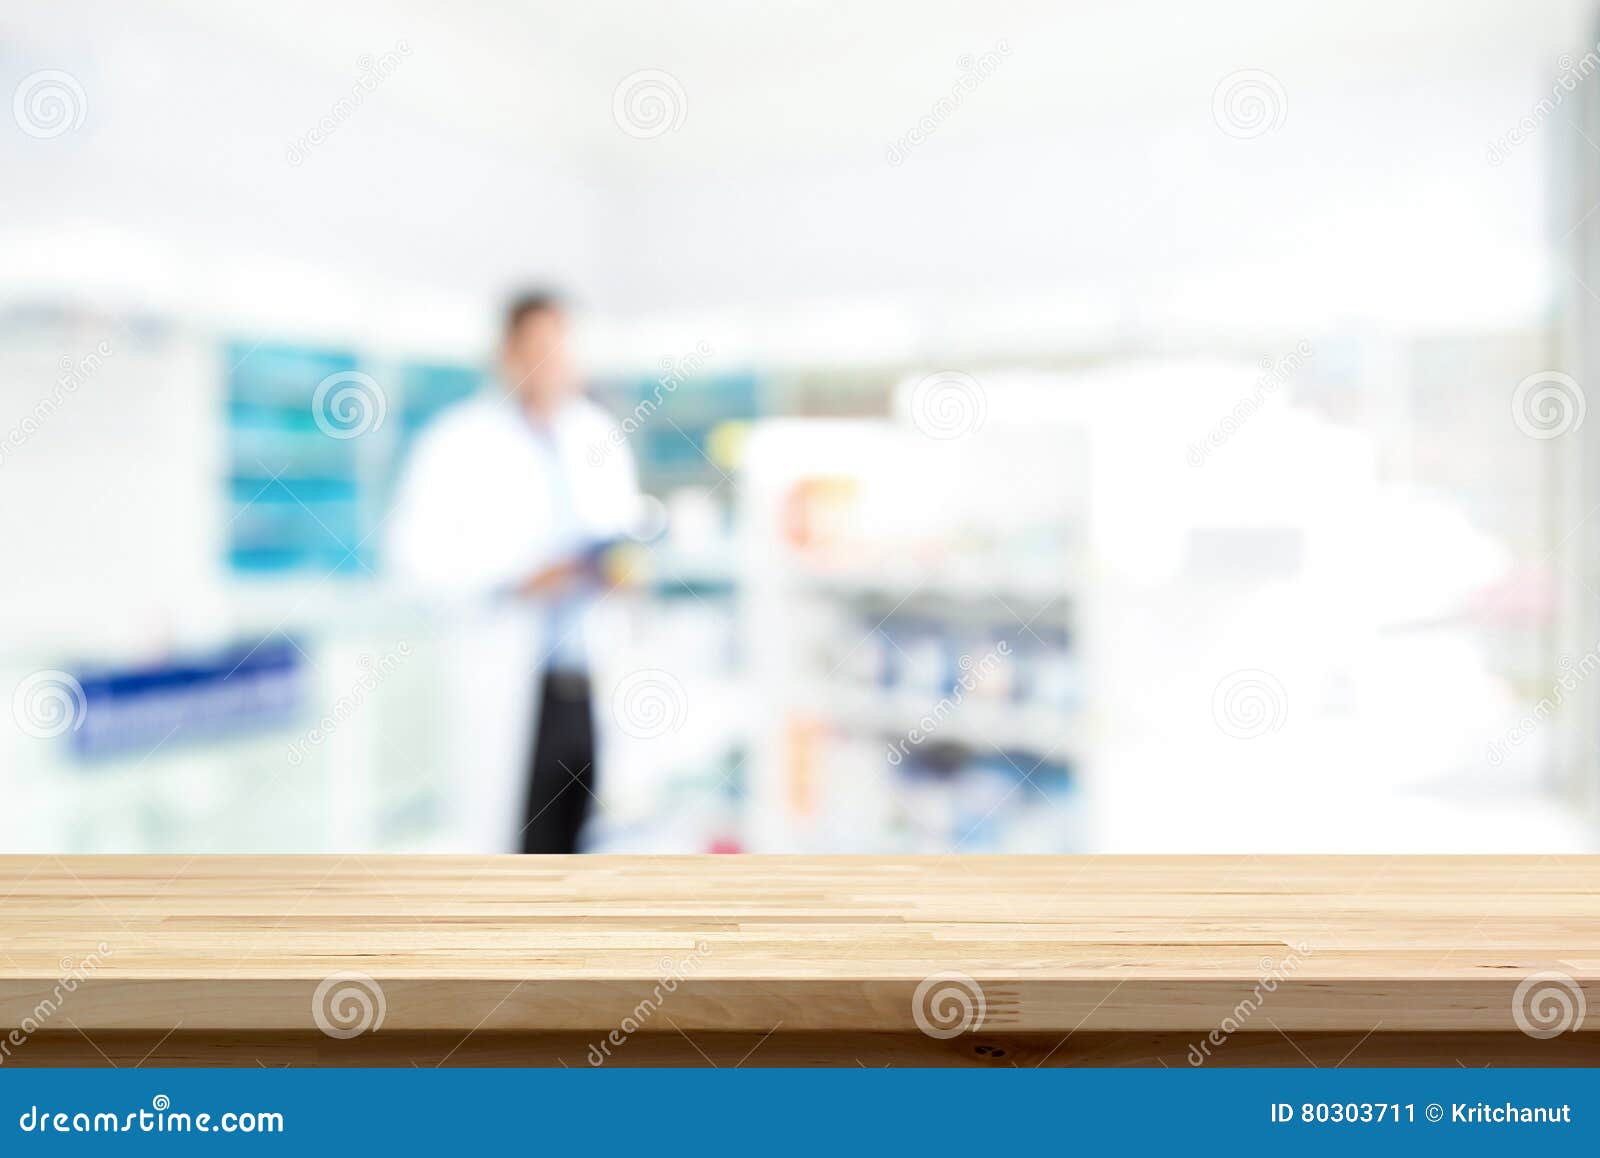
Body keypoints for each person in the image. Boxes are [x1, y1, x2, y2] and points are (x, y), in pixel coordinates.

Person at [386, 291, 641, 853]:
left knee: (582, 844)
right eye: (536, 349)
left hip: (588, 681)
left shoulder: (595, 435)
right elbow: (412, 561)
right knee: (521, 844)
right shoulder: (456, 443)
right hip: (510, 677)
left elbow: (623, 530)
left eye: (560, 348)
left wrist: (623, 571)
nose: (551, 364)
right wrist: (513, 582)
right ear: (508, 354)